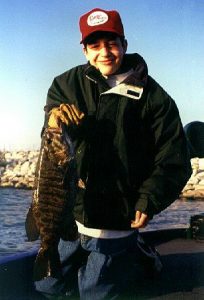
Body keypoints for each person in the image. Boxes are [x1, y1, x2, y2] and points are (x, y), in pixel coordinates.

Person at [35, 8, 191, 300]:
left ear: (124, 44)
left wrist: (149, 199)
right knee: (47, 284)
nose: (104, 52)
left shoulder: (155, 98)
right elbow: (51, 139)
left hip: (117, 218)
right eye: (95, 45)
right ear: (84, 50)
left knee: (97, 290)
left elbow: (174, 160)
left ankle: (138, 254)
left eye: (112, 43)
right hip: (72, 211)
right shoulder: (65, 85)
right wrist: (53, 121)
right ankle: (138, 254)